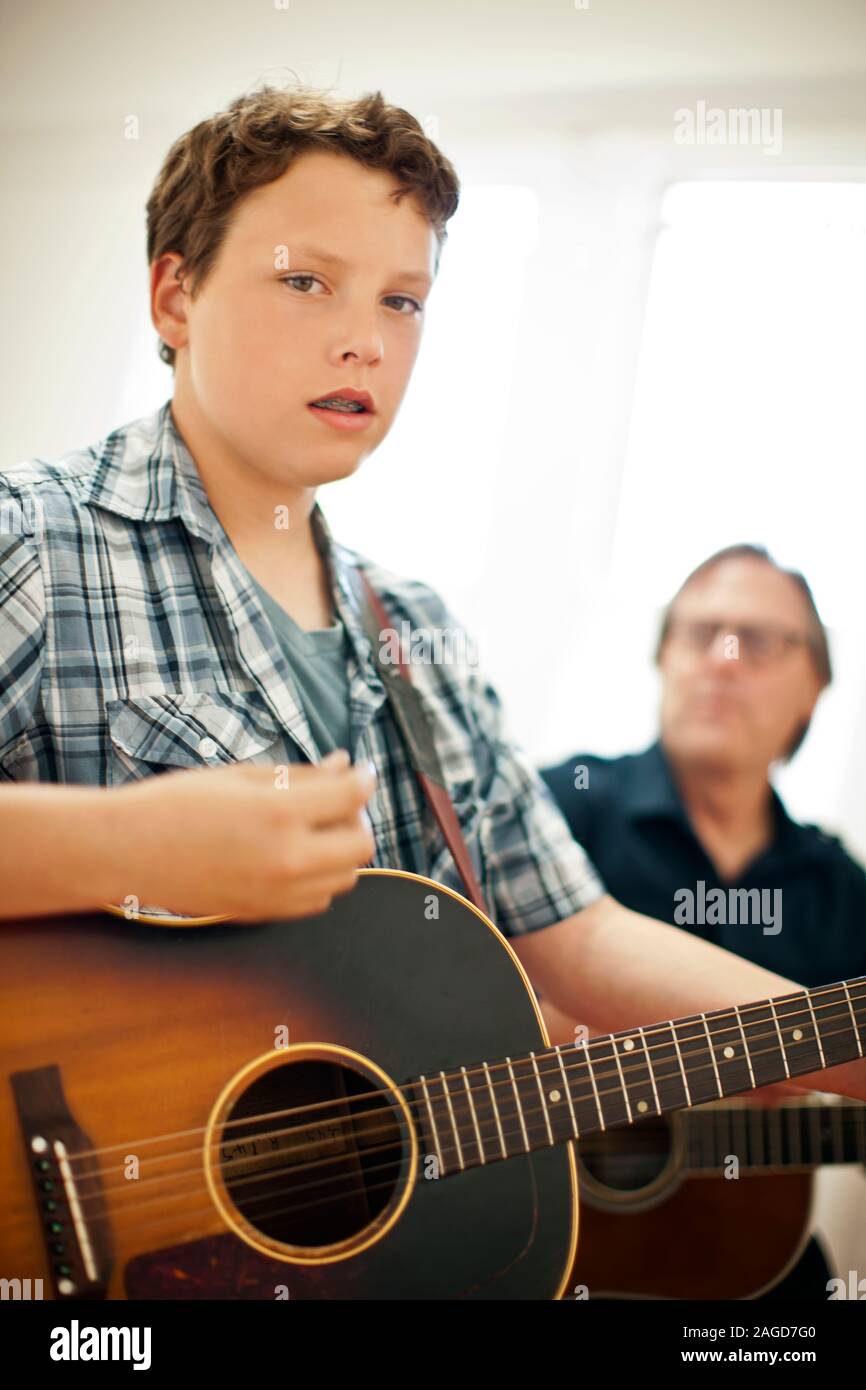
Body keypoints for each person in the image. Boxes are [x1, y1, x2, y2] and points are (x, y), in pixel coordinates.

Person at [1, 86, 865, 1132]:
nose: (363, 340)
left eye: (400, 301)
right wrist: (121, 845)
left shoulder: (418, 632)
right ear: (175, 298)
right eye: (307, 281)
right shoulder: (31, 541)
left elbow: (578, 938)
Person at [541, 544, 866, 1296]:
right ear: (663, 659)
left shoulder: (841, 891)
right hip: (547, 1248)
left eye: (757, 641)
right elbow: (443, 1004)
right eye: (699, 633)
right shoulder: (557, 815)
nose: (722, 661)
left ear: (814, 687)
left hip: (735, 1268)